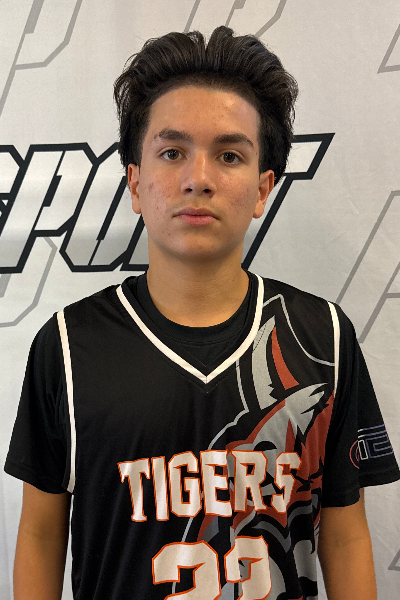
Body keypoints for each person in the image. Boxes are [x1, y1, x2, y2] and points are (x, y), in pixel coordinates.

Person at [5, 25, 400, 600]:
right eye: (172, 152)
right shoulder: (67, 345)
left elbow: (343, 533)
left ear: (263, 188)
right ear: (135, 182)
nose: (198, 179)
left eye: (229, 155)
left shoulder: (323, 338)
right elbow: (42, 534)